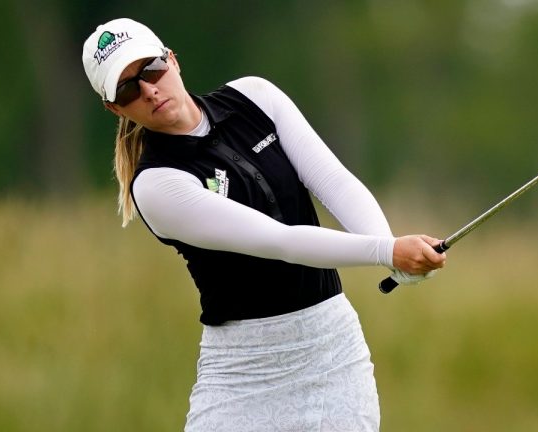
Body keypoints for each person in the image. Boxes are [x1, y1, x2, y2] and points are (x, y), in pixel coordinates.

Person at [82, 17, 446, 432]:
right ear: (114, 108)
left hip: (332, 353)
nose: (149, 89)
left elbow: (333, 181)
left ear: (172, 60)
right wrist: (386, 251)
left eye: (150, 70)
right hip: (243, 372)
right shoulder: (155, 183)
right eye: (128, 89)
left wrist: (389, 247)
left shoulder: (255, 97)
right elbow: (279, 241)